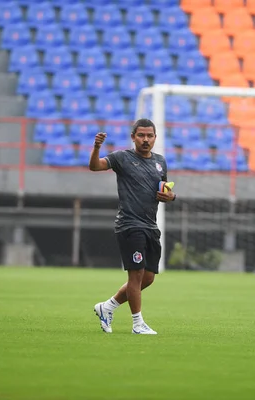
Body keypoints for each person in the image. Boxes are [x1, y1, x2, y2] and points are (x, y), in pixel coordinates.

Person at [89, 118, 175, 335]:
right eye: (141, 135)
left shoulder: (160, 162)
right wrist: (97, 147)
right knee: (135, 276)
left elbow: (164, 189)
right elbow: (95, 166)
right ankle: (138, 324)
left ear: (155, 137)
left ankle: (107, 307)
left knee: (148, 278)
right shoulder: (122, 158)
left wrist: (170, 197)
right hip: (129, 224)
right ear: (133, 137)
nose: (145, 140)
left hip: (150, 226)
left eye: (150, 136)